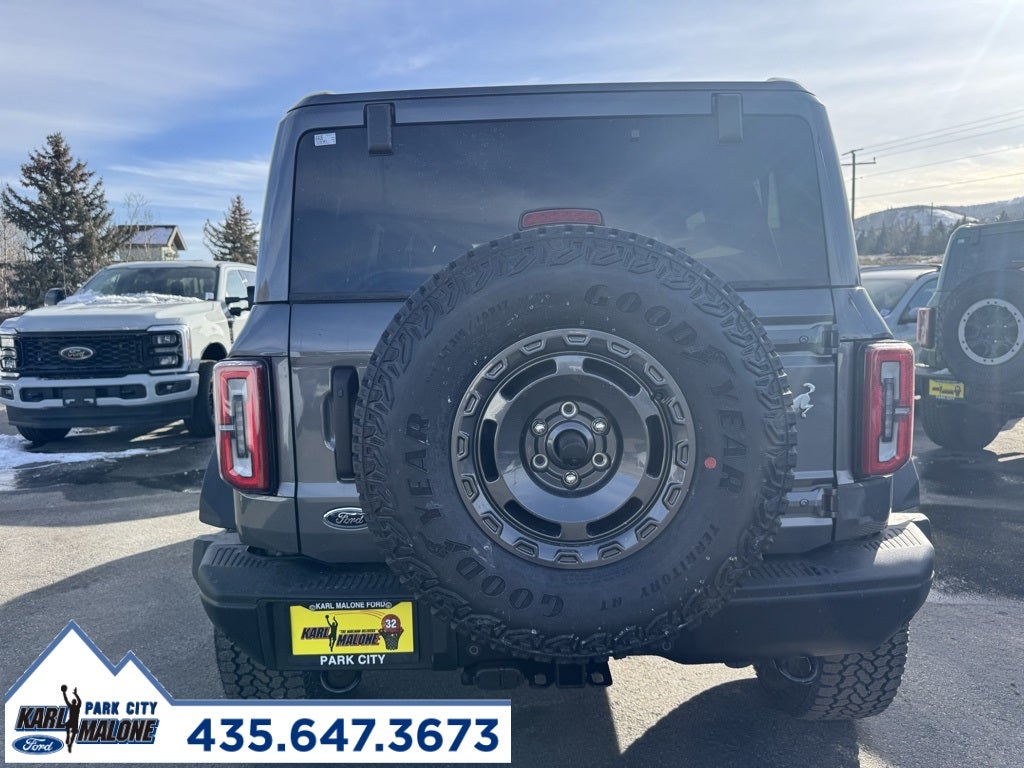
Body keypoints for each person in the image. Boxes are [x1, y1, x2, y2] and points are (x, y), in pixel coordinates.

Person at [61, 684, 81, 753]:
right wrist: (75, 694)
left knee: (68, 728)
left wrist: (64, 693)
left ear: (73, 702)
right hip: (74, 722)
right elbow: (79, 701)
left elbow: (66, 700)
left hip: (73, 721)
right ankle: (69, 740)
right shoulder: (76, 706)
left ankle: (69, 740)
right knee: (72, 732)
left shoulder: (73, 706)